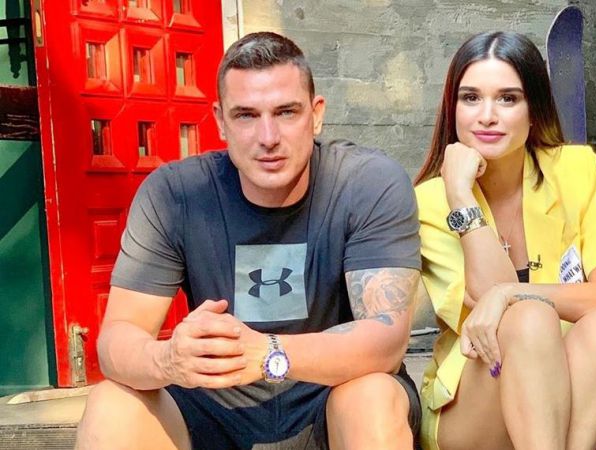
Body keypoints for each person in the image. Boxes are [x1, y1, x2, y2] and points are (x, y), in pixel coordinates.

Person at [75, 32, 422, 450]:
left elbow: (386, 340)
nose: (268, 136)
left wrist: (266, 353)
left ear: (316, 114)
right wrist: (167, 360)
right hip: (210, 407)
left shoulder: (366, 182)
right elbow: (117, 339)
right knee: (111, 404)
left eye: (286, 112)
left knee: (373, 397)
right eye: (246, 115)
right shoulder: (175, 194)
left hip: (332, 400)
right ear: (221, 121)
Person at [414, 31, 596, 450]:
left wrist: (511, 293)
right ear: (452, 109)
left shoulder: (575, 171)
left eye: (508, 98)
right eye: (470, 98)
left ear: (534, 110)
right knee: (528, 320)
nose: (487, 116)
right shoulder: (430, 201)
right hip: (477, 398)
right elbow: (495, 310)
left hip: (570, 400)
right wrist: (461, 196)